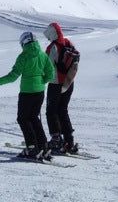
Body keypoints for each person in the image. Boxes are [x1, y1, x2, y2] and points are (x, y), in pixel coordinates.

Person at [0, 30, 55, 160]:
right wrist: (41, 81)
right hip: (40, 92)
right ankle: (44, 147)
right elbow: (51, 74)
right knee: (34, 118)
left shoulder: (23, 56)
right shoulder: (42, 55)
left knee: (23, 119)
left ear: (23, 43)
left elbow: (13, 76)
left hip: (27, 93)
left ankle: (32, 148)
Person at [43, 22, 80, 154]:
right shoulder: (68, 42)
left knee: (51, 111)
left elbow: (46, 66)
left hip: (55, 83)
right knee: (63, 110)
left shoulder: (52, 47)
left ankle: (56, 139)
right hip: (69, 83)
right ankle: (69, 141)